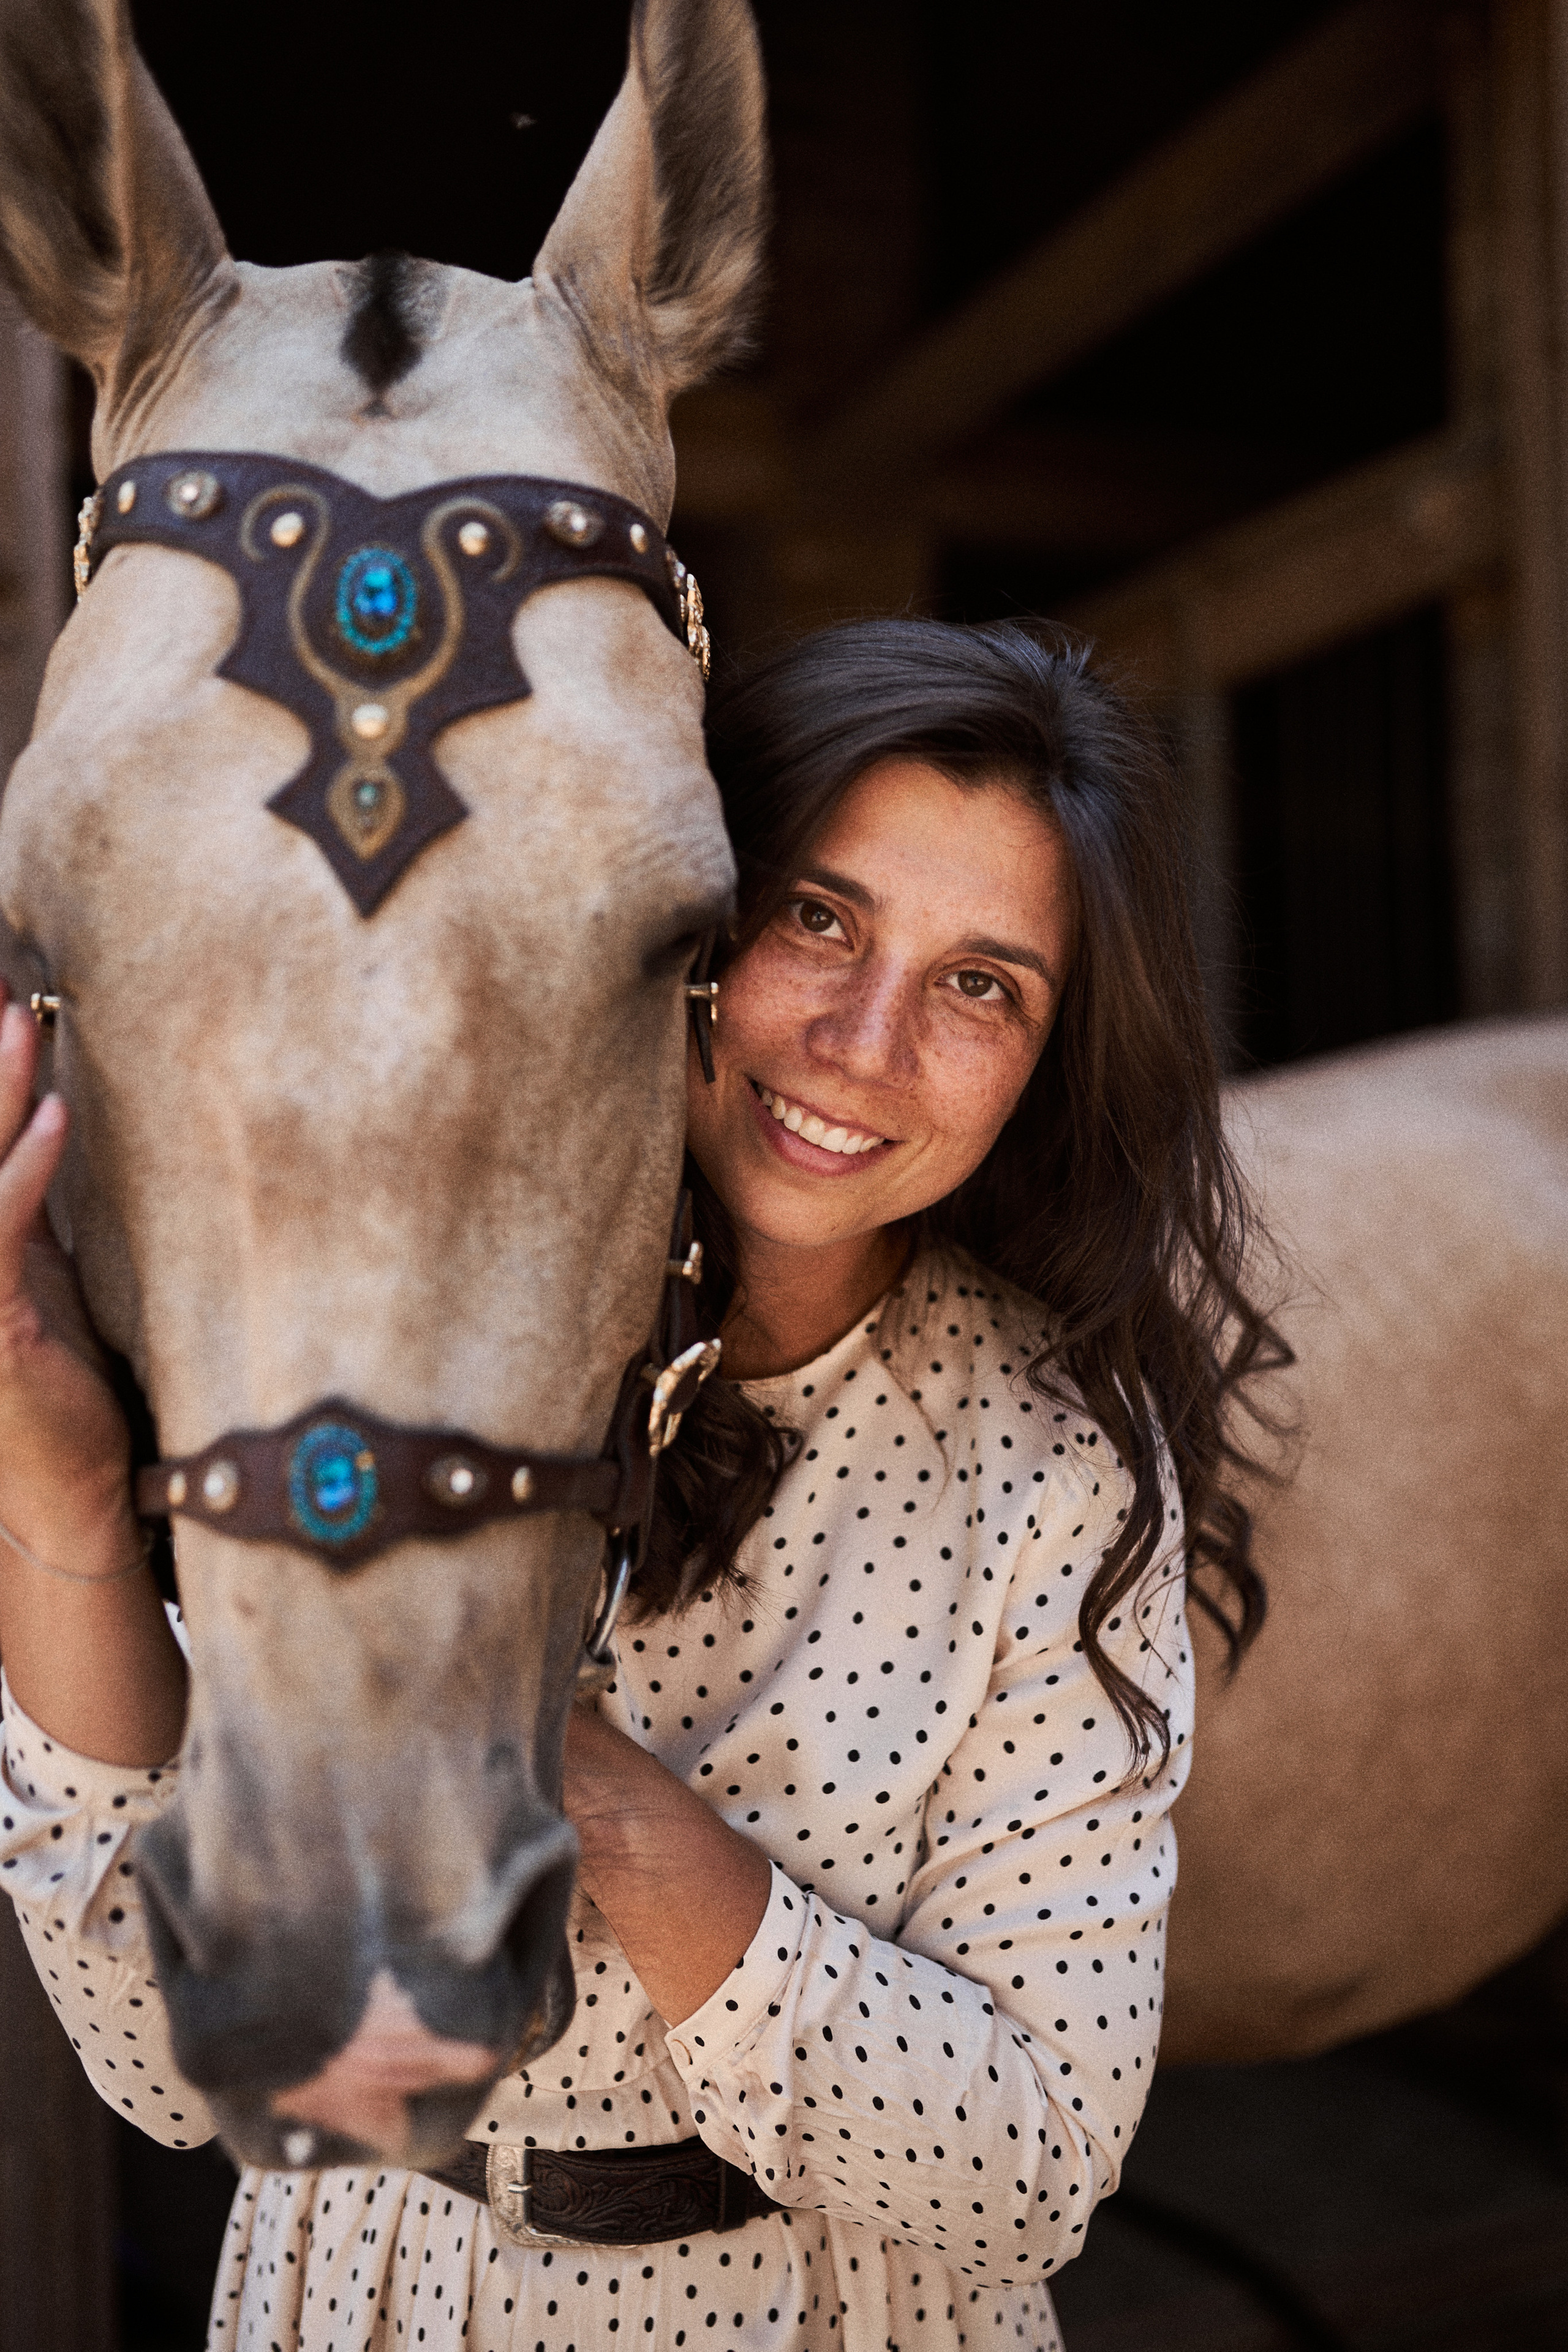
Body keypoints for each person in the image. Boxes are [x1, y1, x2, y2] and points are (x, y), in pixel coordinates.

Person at [0, 617, 1279, 2352]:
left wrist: (564, 1768)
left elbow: (1032, 2165)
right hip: (380, 2294)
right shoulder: (361, 1339)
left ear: (1050, 1064)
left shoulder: (1049, 1466)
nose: (862, 1034)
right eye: (815, 916)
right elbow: (167, 2060)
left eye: (982, 985)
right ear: (677, 910)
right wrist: (67, 1509)